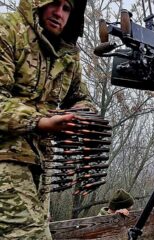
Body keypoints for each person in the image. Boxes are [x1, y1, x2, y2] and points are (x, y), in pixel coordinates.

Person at [0, 0, 94, 239]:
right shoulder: (8, 30)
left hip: (41, 164)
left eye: (67, 8)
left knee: (41, 230)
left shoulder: (68, 53)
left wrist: (79, 118)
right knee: (30, 235)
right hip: (5, 157)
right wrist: (40, 122)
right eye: (55, 3)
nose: (59, 13)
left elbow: (80, 97)